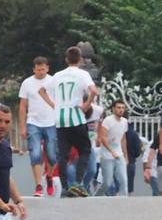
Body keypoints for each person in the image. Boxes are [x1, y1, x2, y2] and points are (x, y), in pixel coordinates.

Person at [46, 46, 99, 198]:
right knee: (85, 149)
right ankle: (77, 182)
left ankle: (64, 187)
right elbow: (94, 91)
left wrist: (54, 105)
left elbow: (42, 90)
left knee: (63, 154)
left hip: (60, 119)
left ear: (66, 60)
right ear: (80, 59)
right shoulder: (82, 74)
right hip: (76, 117)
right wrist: (87, 105)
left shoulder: (57, 75)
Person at [19, 57, 58, 198]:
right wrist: (23, 126)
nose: (41, 72)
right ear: (34, 69)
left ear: (47, 68)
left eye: (43, 69)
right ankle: (38, 185)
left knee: (53, 155)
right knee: (35, 154)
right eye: (38, 69)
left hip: (51, 122)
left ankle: (49, 176)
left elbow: (59, 101)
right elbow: (23, 106)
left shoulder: (53, 81)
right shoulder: (27, 83)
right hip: (33, 122)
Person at [98, 99, 131, 197]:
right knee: (107, 183)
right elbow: (103, 138)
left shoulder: (124, 121)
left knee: (124, 181)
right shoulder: (108, 120)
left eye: (123, 108)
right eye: (118, 108)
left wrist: (126, 155)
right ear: (113, 109)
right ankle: (96, 197)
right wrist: (112, 151)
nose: (121, 110)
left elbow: (123, 139)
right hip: (106, 155)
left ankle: (123, 201)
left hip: (119, 154)